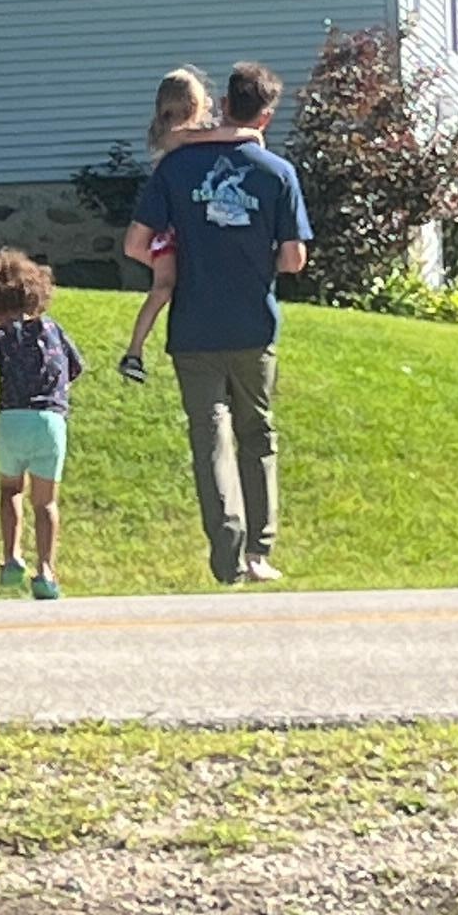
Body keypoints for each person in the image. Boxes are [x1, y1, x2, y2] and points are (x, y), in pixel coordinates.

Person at [123, 58, 310, 588]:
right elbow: (294, 258)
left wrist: (175, 263)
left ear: (223, 105)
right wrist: (257, 258)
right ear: (266, 117)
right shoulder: (278, 174)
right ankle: (260, 551)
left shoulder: (175, 169)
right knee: (258, 435)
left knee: (210, 439)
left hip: (193, 329)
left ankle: (225, 556)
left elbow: (136, 243)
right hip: (254, 326)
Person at [0, 248, 84, 597]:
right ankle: (47, 572)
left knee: (11, 490)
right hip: (51, 422)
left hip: (12, 420)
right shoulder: (54, 329)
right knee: (46, 503)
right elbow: (77, 365)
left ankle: (11, 558)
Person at [117, 65, 224, 386]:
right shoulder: (173, 137)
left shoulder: (195, 136)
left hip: (183, 228)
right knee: (163, 286)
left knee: (178, 284)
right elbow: (191, 140)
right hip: (169, 231)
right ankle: (134, 351)